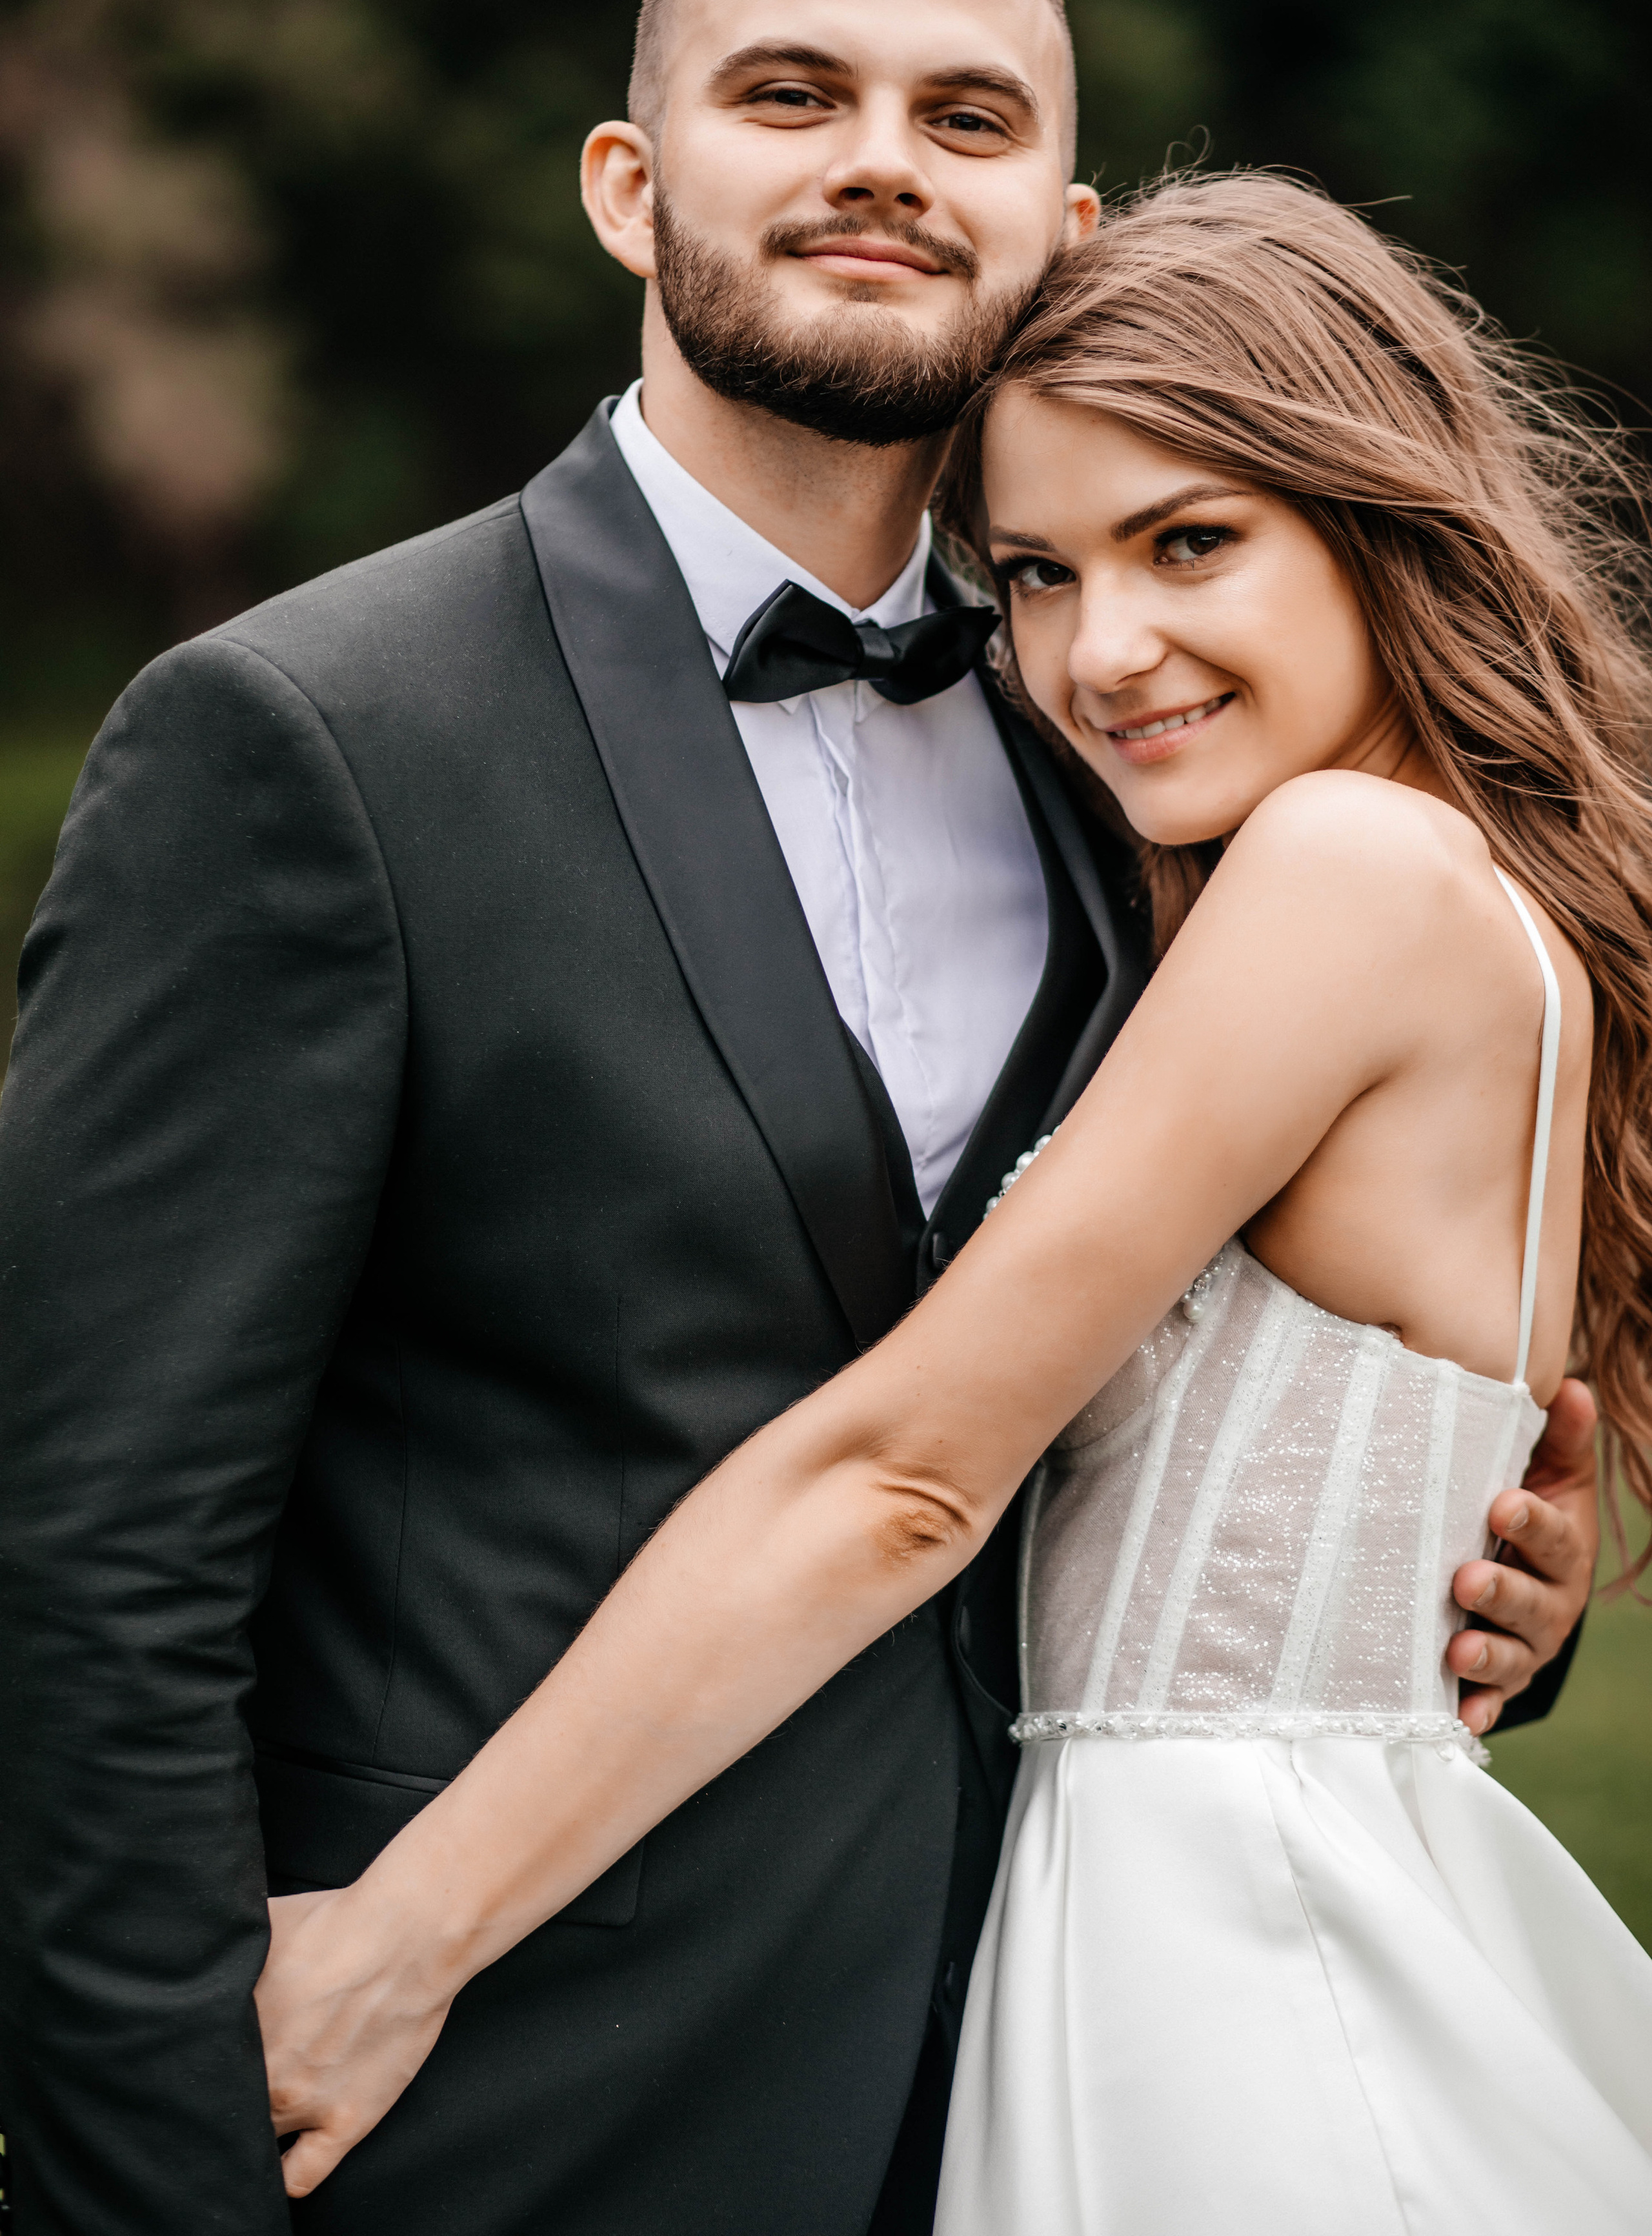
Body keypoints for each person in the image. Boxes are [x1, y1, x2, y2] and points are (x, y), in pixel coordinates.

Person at [0, 0, 1591, 2231]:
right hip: (486, 2112)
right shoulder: (308, 738)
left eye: (966, 115)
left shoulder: (1152, 775)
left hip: (1053, 2060)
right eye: (791, 94)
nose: (880, 163)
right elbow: (90, 1553)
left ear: (1064, 227)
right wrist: (153, 2167)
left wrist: (1448, 1577)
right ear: (632, 184)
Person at [247, 173, 1649, 2230]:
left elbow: (908, 1476)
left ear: (1377, 519)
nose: (1110, 648)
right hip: (1270, 1881)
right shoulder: (1454, 892)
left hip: (1220, 1952)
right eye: (1043, 577)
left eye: (1193, 545)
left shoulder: (1343, 871)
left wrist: (401, 1940)